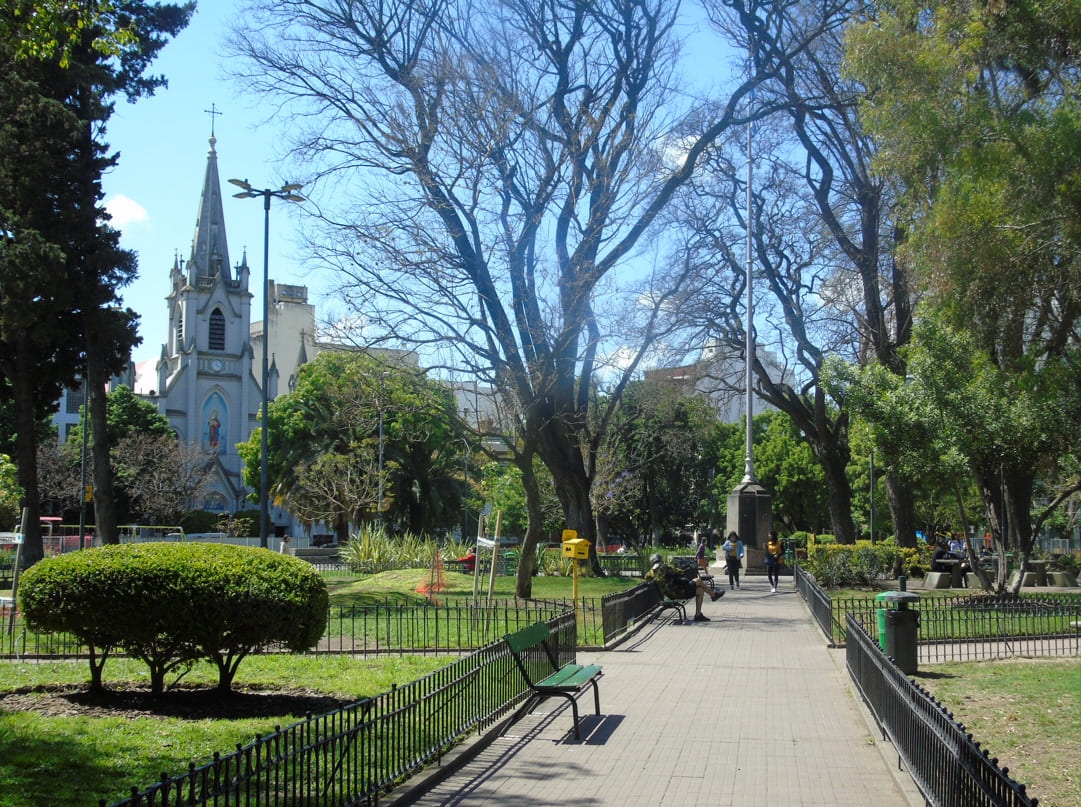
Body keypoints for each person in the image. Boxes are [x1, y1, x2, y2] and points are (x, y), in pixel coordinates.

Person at [647, 553, 723, 622]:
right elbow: (681, 572)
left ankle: (698, 615)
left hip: (670, 594)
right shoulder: (664, 567)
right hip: (678, 592)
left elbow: (647, 577)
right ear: (661, 560)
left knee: (700, 590)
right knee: (698, 580)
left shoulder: (651, 572)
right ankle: (713, 595)